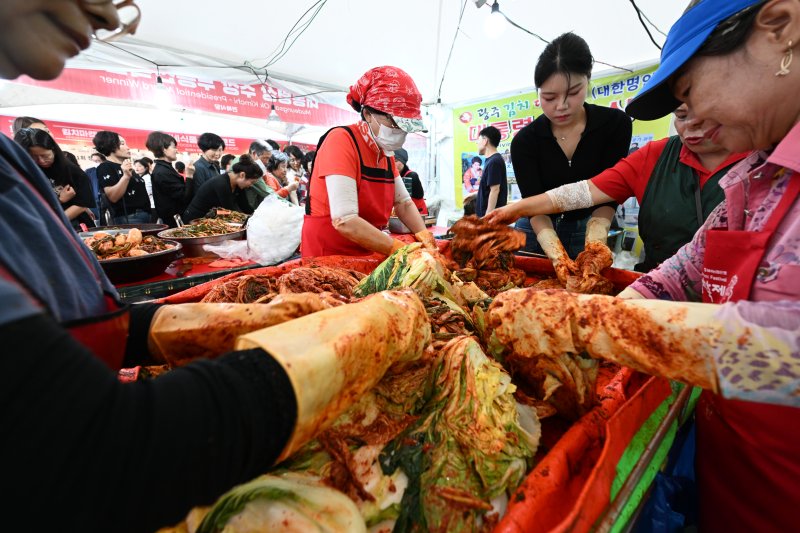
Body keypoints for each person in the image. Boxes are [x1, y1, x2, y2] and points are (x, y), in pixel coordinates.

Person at [0, 3, 427, 532]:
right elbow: (94, 449)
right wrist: (334, 353)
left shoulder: (11, 162)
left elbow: (83, 321)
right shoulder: (341, 141)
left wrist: (246, 320)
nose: (115, 18)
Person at [508, 1, 800, 530]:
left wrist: (589, 322)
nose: (690, 115)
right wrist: (613, 311)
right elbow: (683, 271)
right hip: (731, 469)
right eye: (679, 107)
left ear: (780, 29)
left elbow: (786, 352)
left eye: (688, 91)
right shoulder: (759, 174)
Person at [487, 104, 749, 271]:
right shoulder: (655, 156)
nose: (691, 125)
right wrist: (515, 210)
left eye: (704, 113)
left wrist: (596, 232)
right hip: (657, 284)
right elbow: (582, 193)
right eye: (681, 115)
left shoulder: (761, 162)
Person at [510, 32, 632, 258]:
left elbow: (609, 189)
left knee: (587, 276)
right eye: (549, 97)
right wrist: (553, 248)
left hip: (586, 225)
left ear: (588, 78)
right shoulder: (524, 142)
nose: (561, 106)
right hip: (536, 229)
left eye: (573, 92)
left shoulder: (615, 125)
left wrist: (597, 235)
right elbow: (533, 204)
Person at [303, 65, 435, 257]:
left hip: (367, 247)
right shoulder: (341, 140)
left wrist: (425, 238)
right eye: (394, 122)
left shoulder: (385, 153)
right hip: (329, 252)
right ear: (367, 114)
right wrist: (399, 250)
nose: (400, 131)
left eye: (406, 126)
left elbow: (404, 203)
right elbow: (345, 220)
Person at [13, 127, 95, 230]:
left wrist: (52, 223)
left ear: (53, 150)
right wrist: (59, 200)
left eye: (45, 156)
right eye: (34, 157)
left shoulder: (72, 171)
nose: (41, 161)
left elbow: (82, 205)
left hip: (71, 225)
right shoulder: (23, 173)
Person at [94, 130, 151, 224]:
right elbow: (113, 196)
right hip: (129, 217)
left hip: (144, 215)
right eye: (122, 144)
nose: (128, 147)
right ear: (111, 145)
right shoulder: (105, 167)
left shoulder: (125, 166)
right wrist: (126, 177)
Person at [183, 155, 262, 221]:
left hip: (210, 219)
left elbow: (245, 206)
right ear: (242, 175)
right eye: (252, 182)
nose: (251, 185)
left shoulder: (238, 185)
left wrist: (257, 216)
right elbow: (230, 212)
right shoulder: (221, 183)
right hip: (195, 220)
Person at [148, 131, 194, 228]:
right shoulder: (163, 172)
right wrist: (189, 176)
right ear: (164, 149)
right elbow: (184, 197)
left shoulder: (164, 168)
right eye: (174, 147)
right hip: (175, 221)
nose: (176, 150)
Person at [475, 126, 508, 218]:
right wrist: (474, 195)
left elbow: (495, 190)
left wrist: (488, 217)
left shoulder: (494, 161)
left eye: (478, 140)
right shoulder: (491, 160)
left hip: (490, 218)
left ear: (485, 141)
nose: (477, 143)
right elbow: (489, 188)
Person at [394, 148, 428, 215]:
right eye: (392, 161)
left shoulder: (411, 176)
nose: (393, 164)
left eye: (396, 161)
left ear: (403, 162)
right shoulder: (395, 177)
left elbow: (405, 200)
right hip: (405, 213)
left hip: (418, 213)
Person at [243, 139, 273, 210]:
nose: (267, 162)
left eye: (268, 158)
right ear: (254, 154)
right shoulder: (250, 168)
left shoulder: (252, 165)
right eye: (265, 158)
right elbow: (266, 191)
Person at [85, 152, 107, 219]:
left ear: (103, 161)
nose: (95, 162)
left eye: (97, 161)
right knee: (97, 217)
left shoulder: (106, 170)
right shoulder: (88, 171)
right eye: (93, 161)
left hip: (106, 197)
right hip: (94, 198)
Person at [134, 156, 156, 221]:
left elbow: (147, 193)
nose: (137, 168)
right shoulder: (141, 178)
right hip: (148, 206)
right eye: (135, 166)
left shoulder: (147, 178)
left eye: (139, 166)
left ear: (146, 168)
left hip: (151, 207)